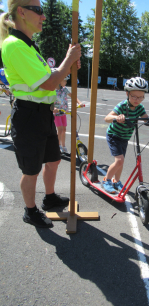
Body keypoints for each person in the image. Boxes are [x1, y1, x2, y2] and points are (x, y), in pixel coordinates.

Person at [0, 0, 81, 228]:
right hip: (28, 117)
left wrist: (68, 66)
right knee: (31, 170)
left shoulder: (29, 46)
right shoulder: (14, 45)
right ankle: (30, 211)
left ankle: (49, 197)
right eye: (39, 11)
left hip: (44, 114)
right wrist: (68, 60)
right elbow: (47, 83)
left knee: (54, 159)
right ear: (22, 12)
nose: (43, 17)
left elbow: (53, 79)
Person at [103, 77, 149, 193]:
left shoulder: (139, 108)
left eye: (140, 97)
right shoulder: (122, 106)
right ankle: (107, 180)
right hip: (114, 135)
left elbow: (146, 120)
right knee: (119, 160)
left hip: (125, 137)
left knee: (120, 162)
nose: (137, 100)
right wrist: (117, 117)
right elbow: (107, 118)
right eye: (134, 96)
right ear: (127, 93)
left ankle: (116, 181)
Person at [52, 70, 84, 154]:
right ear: (59, 81)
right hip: (57, 113)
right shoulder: (53, 91)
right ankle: (58, 145)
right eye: (65, 80)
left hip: (64, 113)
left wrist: (79, 103)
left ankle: (63, 145)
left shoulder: (64, 89)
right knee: (60, 129)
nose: (66, 82)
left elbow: (73, 96)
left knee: (64, 129)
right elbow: (49, 103)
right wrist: (54, 108)